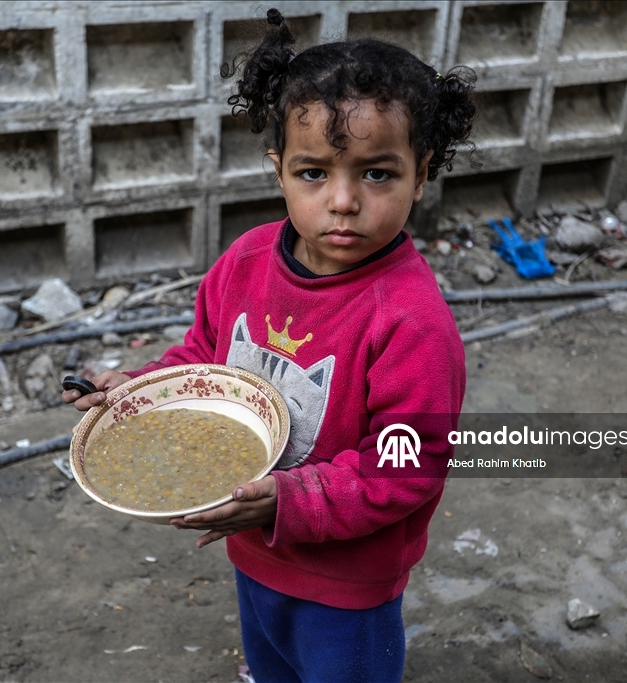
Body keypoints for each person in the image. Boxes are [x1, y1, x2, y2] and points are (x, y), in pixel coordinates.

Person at [64, 9, 474, 682]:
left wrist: (290, 499)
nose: (343, 201)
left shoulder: (410, 321)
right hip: (254, 546)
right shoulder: (247, 261)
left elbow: (409, 463)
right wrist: (141, 389)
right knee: (271, 666)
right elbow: (203, 360)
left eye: (377, 174)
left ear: (421, 174)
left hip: (347, 583)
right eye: (314, 173)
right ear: (278, 169)